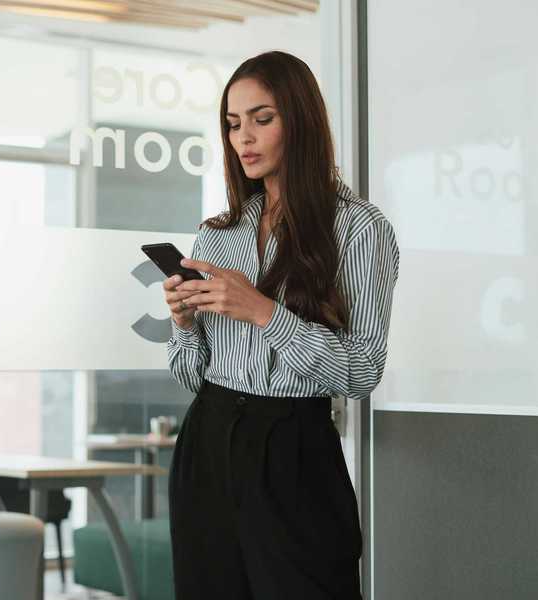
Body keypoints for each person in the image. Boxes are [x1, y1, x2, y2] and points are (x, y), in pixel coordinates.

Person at [163, 50, 399, 600]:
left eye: (262, 119)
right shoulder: (219, 234)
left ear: (301, 120)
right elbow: (190, 374)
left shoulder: (360, 229)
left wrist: (264, 312)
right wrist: (184, 323)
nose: (243, 137)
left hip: (295, 450)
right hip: (208, 440)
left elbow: (362, 370)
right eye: (233, 123)